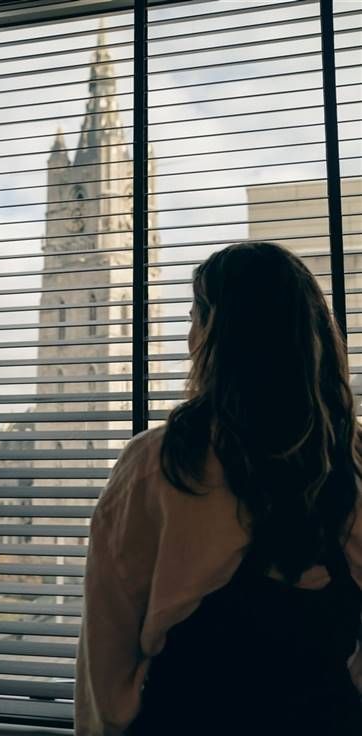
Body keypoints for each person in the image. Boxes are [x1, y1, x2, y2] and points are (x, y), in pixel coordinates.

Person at [74, 241, 362, 735]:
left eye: (194, 319)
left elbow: (108, 638)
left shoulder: (159, 465)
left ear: (217, 337)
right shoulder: (352, 462)